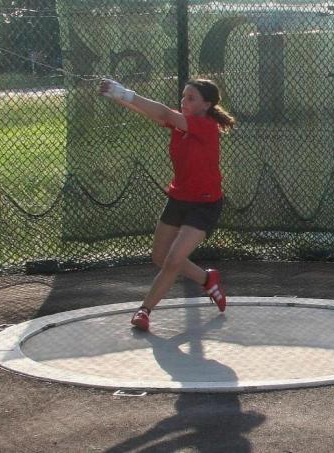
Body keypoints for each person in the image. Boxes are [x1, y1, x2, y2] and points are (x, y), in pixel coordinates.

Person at [99, 77, 236, 331]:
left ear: (206, 105)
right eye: (183, 96)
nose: (184, 101)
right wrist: (116, 96)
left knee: (173, 259)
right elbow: (153, 112)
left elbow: (163, 112)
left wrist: (124, 92)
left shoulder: (205, 126)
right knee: (160, 257)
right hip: (179, 199)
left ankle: (144, 310)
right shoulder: (181, 125)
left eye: (191, 98)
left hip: (205, 205)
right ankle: (207, 279)